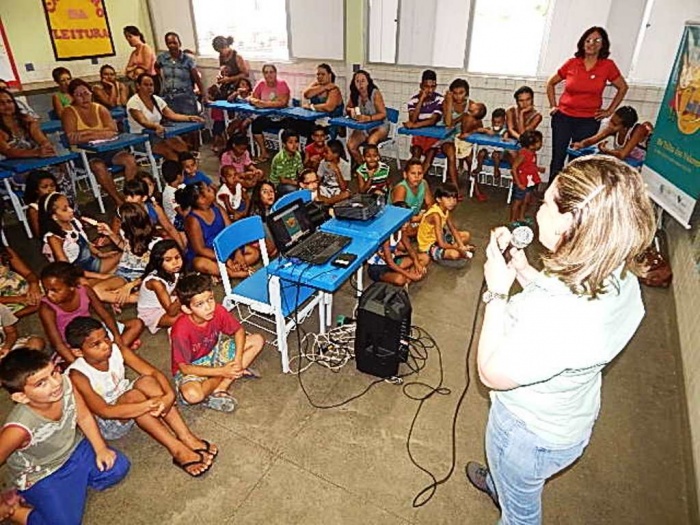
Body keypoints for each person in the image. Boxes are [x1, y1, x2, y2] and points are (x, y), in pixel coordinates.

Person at [465, 156, 655, 524]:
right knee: (517, 484)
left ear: (571, 224)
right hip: (568, 419)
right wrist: (522, 269)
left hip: (526, 435)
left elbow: (490, 373)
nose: (539, 208)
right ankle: (503, 484)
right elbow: (559, 298)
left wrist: (497, 292)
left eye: (548, 202)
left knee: (520, 516)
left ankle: (509, 488)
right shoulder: (616, 275)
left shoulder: (560, 315)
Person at [65, 316, 216, 477]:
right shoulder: (77, 375)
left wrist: (168, 396)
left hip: (125, 396)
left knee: (147, 381)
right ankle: (177, 450)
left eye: (106, 337)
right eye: (96, 344)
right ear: (78, 352)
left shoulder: (117, 349)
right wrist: (149, 404)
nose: (106, 345)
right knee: (134, 395)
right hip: (108, 422)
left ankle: (186, 436)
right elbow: (105, 411)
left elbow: (153, 372)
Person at [0, 348, 130, 525]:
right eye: (41, 383)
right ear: (22, 397)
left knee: (118, 467)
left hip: (74, 449)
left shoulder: (66, 383)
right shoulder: (18, 428)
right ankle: (15, 511)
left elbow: (83, 416)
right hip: (42, 473)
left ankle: (71, 488)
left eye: (54, 372)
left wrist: (101, 448)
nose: (55, 383)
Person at [170, 273, 265, 413]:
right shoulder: (180, 331)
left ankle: (221, 387)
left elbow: (238, 331)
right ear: (187, 309)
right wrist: (222, 371)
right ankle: (226, 375)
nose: (209, 307)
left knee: (257, 340)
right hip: (193, 366)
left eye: (210, 299)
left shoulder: (218, 310)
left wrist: (238, 360)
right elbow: (185, 368)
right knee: (192, 395)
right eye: (200, 304)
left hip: (215, 352)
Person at [546, 26, 628, 182]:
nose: (592, 44)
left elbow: (623, 87)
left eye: (597, 40)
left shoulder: (607, 65)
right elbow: (550, 83)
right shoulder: (572, 63)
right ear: (582, 43)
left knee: (578, 161)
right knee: (558, 158)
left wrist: (609, 111)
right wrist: (553, 105)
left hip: (588, 121)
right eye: (588, 40)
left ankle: (573, 193)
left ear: (603, 44)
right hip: (563, 118)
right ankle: (552, 192)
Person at [39, 261, 144, 364]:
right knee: (72, 362)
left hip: (94, 333)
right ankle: (111, 357)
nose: (49, 295)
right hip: (73, 344)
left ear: (71, 287)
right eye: (46, 290)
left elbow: (105, 315)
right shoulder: (47, 308)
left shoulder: (85, 291)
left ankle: (106, 357)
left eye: (55, 290)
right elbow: (58, 344)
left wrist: (117, 338)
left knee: (137, 324)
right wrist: (80, 367)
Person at [61, 78, 138, 207]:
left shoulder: (100, 108)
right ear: (72, 97)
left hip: (107, 149)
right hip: (84, 154)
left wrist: (86, 133)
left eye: (86, 93)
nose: (84, 97)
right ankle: (118, 200)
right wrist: (100, 133)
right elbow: (72, 138)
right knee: (99, 166)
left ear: (91, 93)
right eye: (79, 95)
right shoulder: (69, 112)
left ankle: (129, 196)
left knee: (129, 159)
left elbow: (113, 131)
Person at [178, 182, 257, 279]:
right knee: (200, 264)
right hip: (208, 254)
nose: (212, 189)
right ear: (201, 200)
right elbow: (200, 249)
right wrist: (225, 259)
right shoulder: (193, 220)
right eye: (208, 190)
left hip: (225, 247)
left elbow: (230, 230)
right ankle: (232, 273)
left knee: (254, 253)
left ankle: (228, 269)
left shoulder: (217, 207)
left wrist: (237, 252)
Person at [126, 74, 205, 161]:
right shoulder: (133, 102)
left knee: (181, 145)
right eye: (146, 85)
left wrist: (190, 118)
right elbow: (143, 121)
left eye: (151, 85)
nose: (149, 88)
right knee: (168, 151)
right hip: (141, 139)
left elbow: (172, 115)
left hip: (159, 135)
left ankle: (187, 167)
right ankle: (177, 168)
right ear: (138, 86)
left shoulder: (156, 99)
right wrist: (156, 126)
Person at [39, 192, 120, 275]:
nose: (71, 210)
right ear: (54, 216)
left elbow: (86, 242)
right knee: (121, 262)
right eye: (65, 209)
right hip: (78, 272)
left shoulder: (74, 222)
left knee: (123, 258)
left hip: (91, 262)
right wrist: (97, 276)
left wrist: (100, 254)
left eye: (70, 206)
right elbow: (65, 267)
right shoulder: (54, 238)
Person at [156, 32, 206, 150]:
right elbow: (156, 67)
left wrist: (204, 94)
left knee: (192, 125)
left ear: (179, 43)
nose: (172, 45)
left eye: (175, 42)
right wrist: (163, 82)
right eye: (169, 43)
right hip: (169, 97)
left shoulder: (188, 60)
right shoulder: (162, 58)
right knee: (175, 126)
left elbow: (197, 78)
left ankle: (194, 151)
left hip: (186, 97)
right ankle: (182, 151)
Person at [367, 202, 429, 286]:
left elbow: (410, 249)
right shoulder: (386, 236)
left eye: (408, 221)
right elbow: (390, 263)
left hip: (393, 261)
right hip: (378, 268)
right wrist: (410, 275)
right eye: (404, 222)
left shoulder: (401, 231)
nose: (407, 224)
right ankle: (406, 276)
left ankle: (407, 277)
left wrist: (416, 263)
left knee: (425, 258)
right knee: (400, 279)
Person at [0, 201, 42, 318]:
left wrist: (33, 284)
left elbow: (28, 273)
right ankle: (10, 319)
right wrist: (18, 299)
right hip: (5, 299)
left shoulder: (5, 251)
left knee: (54, 289)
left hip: (20, 288)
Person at [571, 105, 653, 163]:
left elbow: (622, 155)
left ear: (625, 127)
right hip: (628, 163)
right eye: (611, 121)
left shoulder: (638, 130)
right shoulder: (613, 128)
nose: (610, 125)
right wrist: (581, 144)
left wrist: (606, 150)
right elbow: (594, 139)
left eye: (614, 124)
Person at [417, 184, 473, 264]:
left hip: (439, 238)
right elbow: (441, 244)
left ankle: (457, 250)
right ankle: (445, 253)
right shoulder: (435, 215)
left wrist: (461, 246)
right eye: (448, 198)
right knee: (455, 254)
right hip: (428, 245)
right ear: (438, 199)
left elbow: (453, 228)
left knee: (466, 235)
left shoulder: (445, 210)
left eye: (454, 198)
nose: (452, 202)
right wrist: (458, 248)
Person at [137, 239, 183, 333]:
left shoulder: (174, 272)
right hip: (152, 313)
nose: (175, 262)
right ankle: (174, 331)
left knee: (197, 305)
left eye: (177, 257)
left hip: (168, 301)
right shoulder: (156, 282)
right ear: (159, 262)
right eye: (168, 260)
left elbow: (173, 290)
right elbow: (171, 312)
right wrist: (182, 296)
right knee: (187, 316)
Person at [404, 70, 445, 174]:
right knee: (416, 153)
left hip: (434, 136)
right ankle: (412, 178)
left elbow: (433, 120)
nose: (430, 90)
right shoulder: (413, 100)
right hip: (419, 136)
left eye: (433, 87)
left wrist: (415, 126)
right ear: (421, 86)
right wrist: (421, 100)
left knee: (430, 154)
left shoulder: (440, 99)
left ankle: (419, 179)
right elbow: (413, 119)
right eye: (427, 87)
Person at [249, 64, 291, 162]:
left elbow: (282, 102)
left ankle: (288, 156)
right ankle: (264, 152)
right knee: (255, 125)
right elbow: (252, 97)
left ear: (275, 73)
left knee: (290, 129)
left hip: (282, 118)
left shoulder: (282, 84)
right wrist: (256, 101)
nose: (269, 75)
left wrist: (263, 104)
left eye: (271, 72)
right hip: (267, 117)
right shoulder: (261, 83)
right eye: (266, 72)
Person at [345, 69, 389, 165]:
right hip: (363, 127)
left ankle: (377, 168)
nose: (360, 84)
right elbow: (347, 109)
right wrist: (351, 111)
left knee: (371, 143)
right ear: (354, 83)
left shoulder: (375, 93)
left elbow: (383, 114)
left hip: (380, 126)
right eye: (357, 81)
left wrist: (368, 118)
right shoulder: (355, 94)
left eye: (363, 81)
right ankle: (364, 167)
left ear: (368, 82)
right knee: (351, 145)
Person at [390, 158, 435, 237]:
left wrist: (425, 215)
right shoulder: (401, 188)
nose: (416, 176)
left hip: (415, 217)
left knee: (436, 217)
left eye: (420, 173)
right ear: (405, 175)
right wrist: (417, 219)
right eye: (413, 173)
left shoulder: (424, 183)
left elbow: (430, 203)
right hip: (399, 220)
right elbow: (398, 214)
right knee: (407, 231)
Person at [441, 78, 471, 195]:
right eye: (455, 93)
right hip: (447, 137)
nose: (458, 96)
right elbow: (448, 123)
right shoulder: (446, 103)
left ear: (466, 93)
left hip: (463, 138)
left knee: (470, 157)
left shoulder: (471, 105)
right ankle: (456, 188)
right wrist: (449, 103)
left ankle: (474, 186)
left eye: (461, 93)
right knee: (451, 154)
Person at [510, 130, 545, 222]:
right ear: (531, 144)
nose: (541, 144)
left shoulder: (533, 153)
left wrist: (538, 169)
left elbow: (530, 166)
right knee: (518, 201)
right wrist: (518, 183)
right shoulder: (523, 154)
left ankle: (521, 217)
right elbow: (514, 168)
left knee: (526, 200)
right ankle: (512, 220)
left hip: (529, 181)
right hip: (522, 181)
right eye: (539, 142)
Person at [473, 108, 509, 180]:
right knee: (481, 153)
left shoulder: (504, 131)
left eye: (499, 122)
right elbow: (478, 130)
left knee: (496, 155)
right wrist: (486, 130)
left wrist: (504, 139)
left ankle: (496, 170)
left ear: (504, 122)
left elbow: (506, 138)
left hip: (499, 153)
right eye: (494, 122)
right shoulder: (490, 129)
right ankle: (479, 167)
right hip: (489, 150)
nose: (496, 124)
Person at [23, 170, 58, 238]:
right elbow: (39, 233)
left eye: (52, 185)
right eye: (44, 187)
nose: (50, 189)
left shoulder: (60, 199)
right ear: (36, 190)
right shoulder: (35, 209)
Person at [317, 140, 352, 205]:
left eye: (326, 152)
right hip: (326, 188)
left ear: (336, 154)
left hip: (338, 190)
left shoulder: (345, 165)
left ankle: (326, 202)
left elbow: (343, 188)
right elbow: (318, 181)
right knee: (315, 191)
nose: (324, 154)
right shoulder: (323, 162)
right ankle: (330, 201)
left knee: (346, 194)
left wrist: (337, 170)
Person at [270, 128, 303, 195]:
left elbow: (300, 171)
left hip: (293, 180)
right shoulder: (280, 158)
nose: (294, 145)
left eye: (296, 142)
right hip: (278, 184)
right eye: (290, 142)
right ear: (284, 144)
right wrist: (298, 183)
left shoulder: (297, 155)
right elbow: (283, 180)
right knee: (296, 191)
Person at [161, 160, 185, 227]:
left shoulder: (181, 186)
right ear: (179, 176)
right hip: (175, 221)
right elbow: (180, 212)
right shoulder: (169, 193)